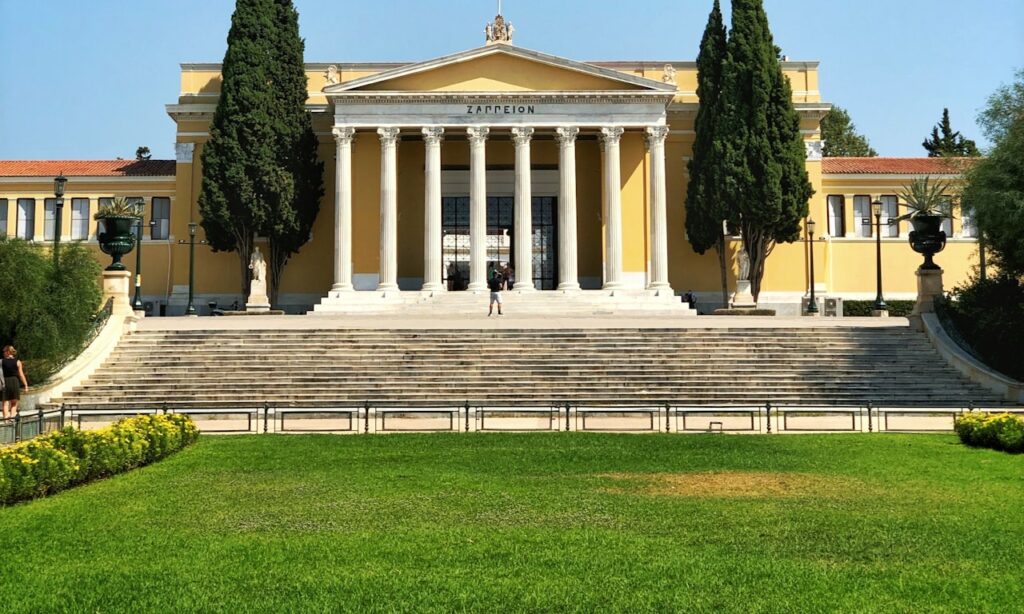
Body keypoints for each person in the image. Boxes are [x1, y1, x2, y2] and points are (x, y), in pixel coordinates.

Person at [2, 345, 29, 420]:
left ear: (8, 352)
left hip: (5, 382)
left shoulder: (1, 361)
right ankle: (12, 418)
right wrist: (26, 385)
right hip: (14, 381)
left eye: (4, 351)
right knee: (14, 402)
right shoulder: (18, 362)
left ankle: (6, 420)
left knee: (5, 402)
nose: (3, 353)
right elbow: (21, 374)